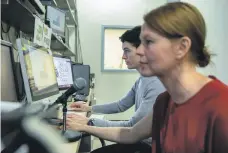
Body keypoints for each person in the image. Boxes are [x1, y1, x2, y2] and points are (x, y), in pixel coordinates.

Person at [64, 2, 228, 153]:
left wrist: (87, 123)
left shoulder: (221, 106)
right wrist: (86, 126)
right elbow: (132, 133)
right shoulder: (164, 102)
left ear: (181, 47)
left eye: (149, 42)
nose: (140, 51)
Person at [68, 26, 165, 152]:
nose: (123, 57)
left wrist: (89, 122)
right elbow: (121, 105)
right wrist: (89, 108)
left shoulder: (156, 85)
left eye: (127, 51)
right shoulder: (142, 80)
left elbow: (131, 127)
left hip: (147, 147)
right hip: (138, 141)